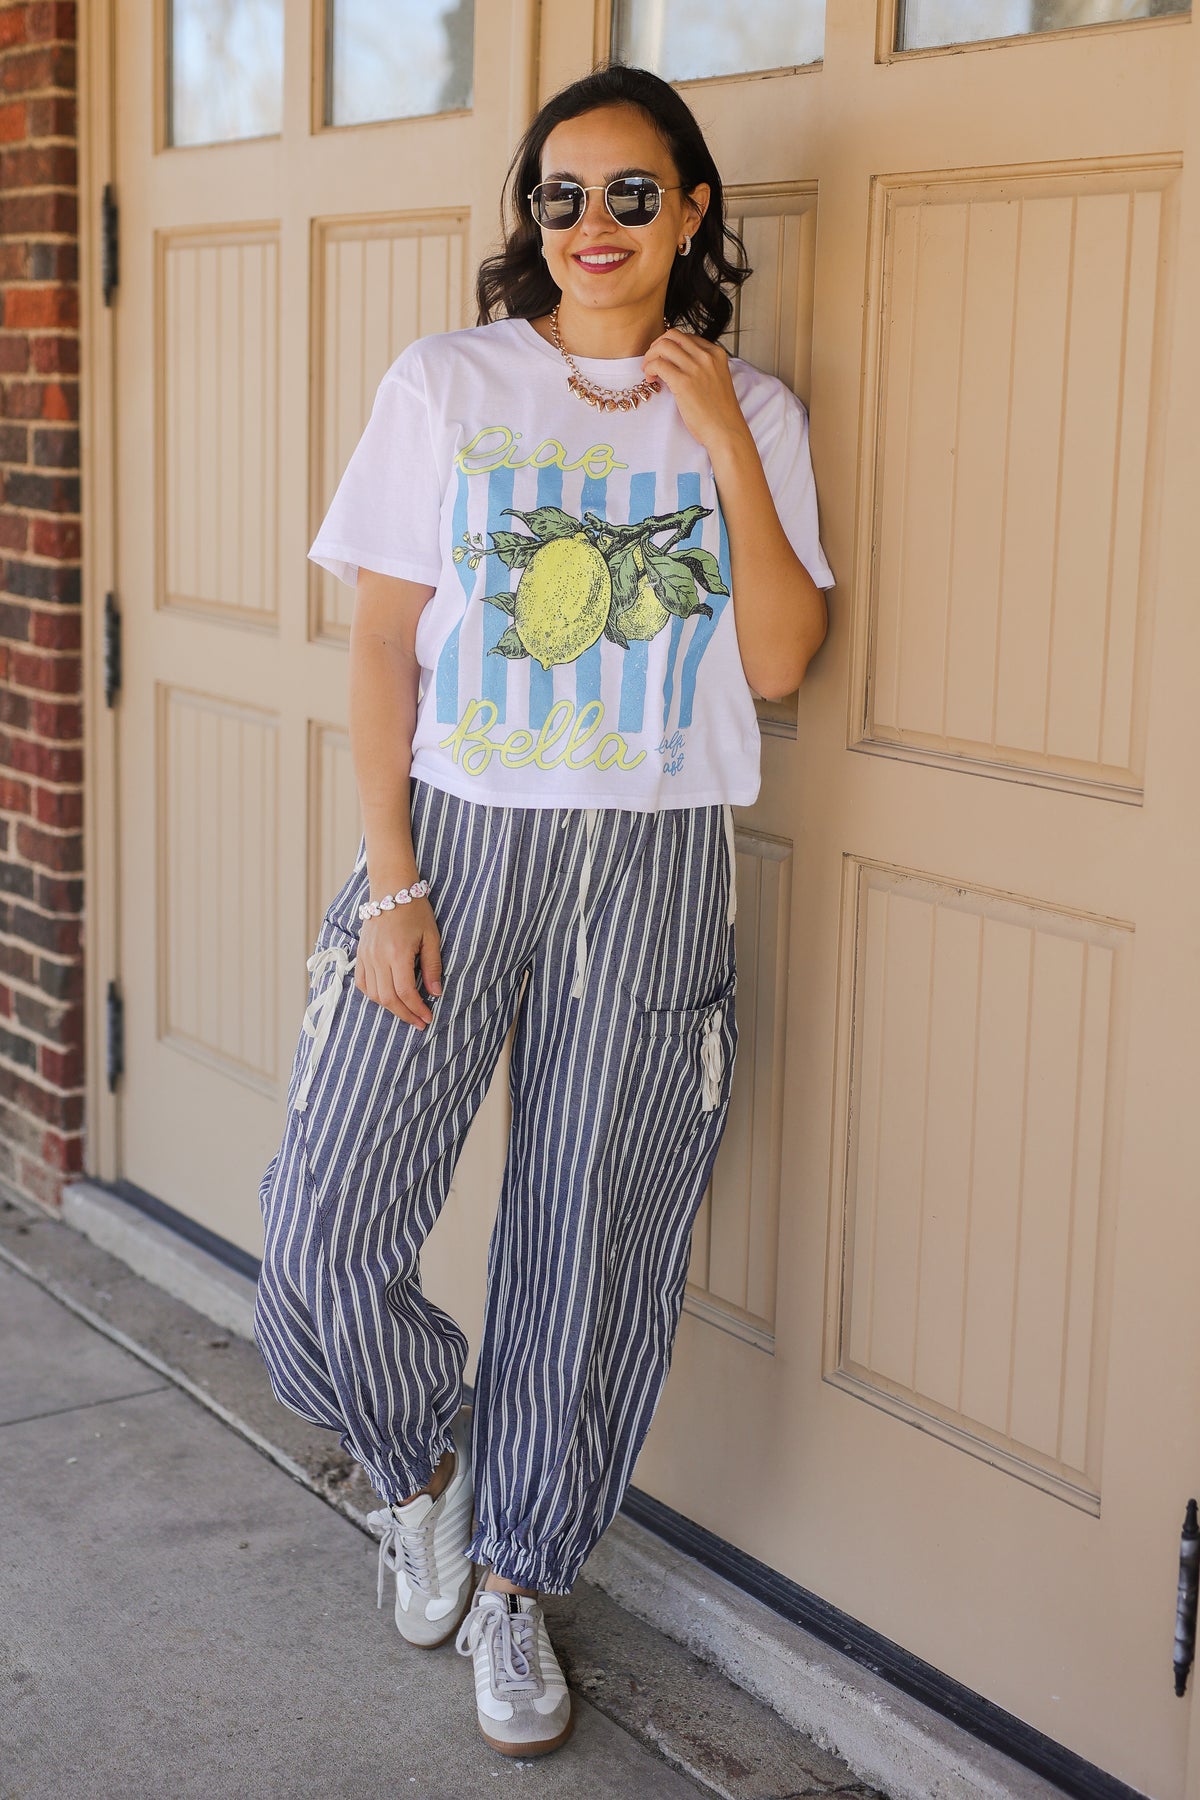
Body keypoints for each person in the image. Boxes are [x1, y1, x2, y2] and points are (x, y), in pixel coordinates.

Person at [252, 61, 834, 1761]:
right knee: (322, 1226)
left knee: (591, 1247)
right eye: (561, 195)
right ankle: (425, 1479)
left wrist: (717, 426)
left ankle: (516, 1584)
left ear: (693, 210)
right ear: (532, 215)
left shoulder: (760, 415)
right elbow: (376, 647)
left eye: (632, 194)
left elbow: (785, 657)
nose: (593, 226)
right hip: (456, 839)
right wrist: (395, 882)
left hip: (651, 859)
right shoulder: (450, 382)